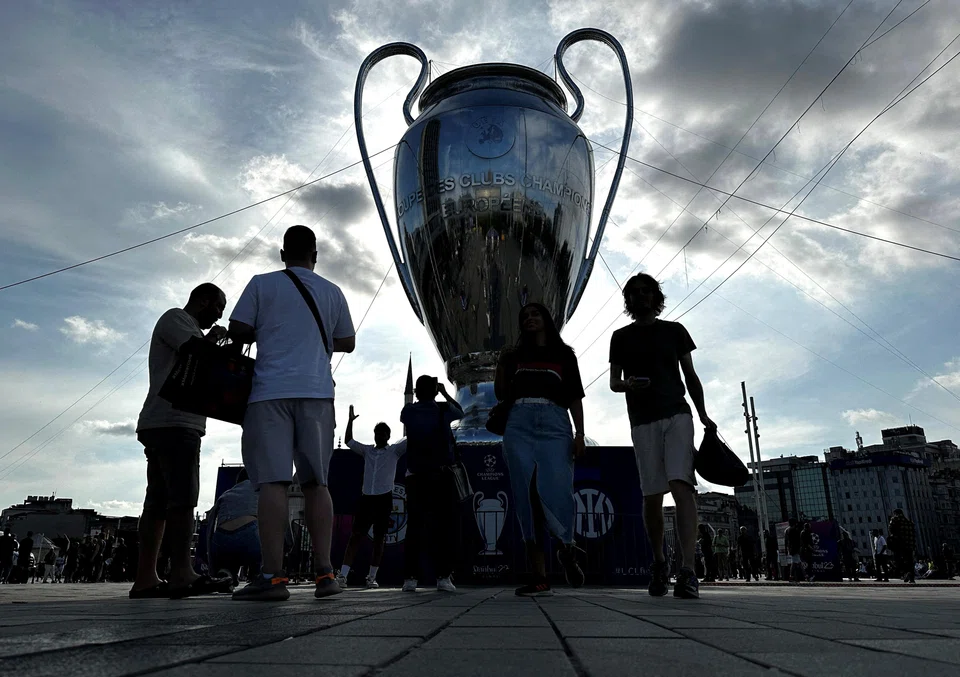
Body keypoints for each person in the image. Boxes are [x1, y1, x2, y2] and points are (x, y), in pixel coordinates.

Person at [229, 225, 356, 601]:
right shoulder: (333, 291)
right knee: (318, 482)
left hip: (269, 394)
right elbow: (347, 340)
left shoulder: (261, 283)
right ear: (315, 256)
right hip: (317, 393)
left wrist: (270, 331)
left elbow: (239, 329)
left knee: (273, 483)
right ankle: (325, 575)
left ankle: (272, 577)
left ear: (282, 253)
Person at [609, 274, 715, 599]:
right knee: (652, 495)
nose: (640, 296)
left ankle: (687, 570)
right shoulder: (620, 337)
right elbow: (614, 382)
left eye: (646, 291)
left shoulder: (675, 331)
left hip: (677, 414)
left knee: (682, 486)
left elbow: (691, 376)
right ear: (628, 300)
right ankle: (659, 562)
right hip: (642, 421)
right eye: (634, 293)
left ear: (656, 296)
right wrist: (627, 385)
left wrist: (703, 414)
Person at [131, 282, 229, 599]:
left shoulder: (187, 329)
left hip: (161, 422)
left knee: (157, 503)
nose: (218, 316)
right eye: (218, 307)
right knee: (183, 500)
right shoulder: (177, 319)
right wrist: (213, 340)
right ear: (202, 300)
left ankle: (147, 578)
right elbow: (195, 353)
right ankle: (182, 573)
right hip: (175, 421)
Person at [495, 302, 586, 596]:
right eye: (524, 317)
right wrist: (501, 363)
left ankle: (566, 547)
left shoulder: (564, 355)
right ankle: (539, 576)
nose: (530, 319)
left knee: (558, 490)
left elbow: (574, 396)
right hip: (519, 424)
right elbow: (501, 393)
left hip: (555, 424)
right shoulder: (515, 355)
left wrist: (580, 433)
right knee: (526, 495)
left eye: (535, 314)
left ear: (547, 319)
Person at [399, 375, 464, 593]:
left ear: (416, 392)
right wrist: (444, 394)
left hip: (416, 476)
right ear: (434, 391)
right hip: (439, 475)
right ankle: (443, 577)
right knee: (442, 527)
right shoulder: (443, 411)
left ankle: (410, 578)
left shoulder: (408, 411)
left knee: (415, 527)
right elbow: (461, 412)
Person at [338, 405, 407, 589]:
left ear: (388, 436)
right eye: (378, 432)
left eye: (383, 433)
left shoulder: (394, 451)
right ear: (374, 434)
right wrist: (350, 421)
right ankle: (342, 576)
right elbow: (349, 441)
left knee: (379, 538)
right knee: (355, 536)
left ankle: (371, 578)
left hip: (384, 498)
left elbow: (411, 439)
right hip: (367, 498)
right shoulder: (367, 451)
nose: (380, 436)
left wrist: (409, 420)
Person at [207, 469, 262, 583]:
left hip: (222, 538)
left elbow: (210, 525)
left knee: (227, 560)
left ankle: (227, 573)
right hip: (250, 535)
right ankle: (256, 574)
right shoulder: (261, 490)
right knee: (265, 532)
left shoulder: (226, 494)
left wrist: (212, 565)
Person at [888, 509, 916, 584]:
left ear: (895, 513)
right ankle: (911, 577)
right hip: (909, 545)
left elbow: (890, 529)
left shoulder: (894, 519)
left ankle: (905, 572)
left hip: (899, 544)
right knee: (910, 561)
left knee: (898, 561)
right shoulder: (909, 522)